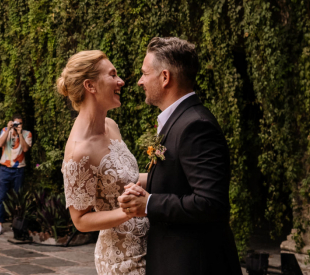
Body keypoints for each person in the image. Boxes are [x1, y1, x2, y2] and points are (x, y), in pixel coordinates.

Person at [118, 37, 241, 275]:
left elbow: (210, 203)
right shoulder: (178, 120)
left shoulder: (196, 126)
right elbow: (176, 179)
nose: (140, 81)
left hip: (194, 263)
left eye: (144, 73)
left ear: (165, 77)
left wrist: (149, 203)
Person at [57, 50, 148, 274]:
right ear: (90, 86)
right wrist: (130, 212)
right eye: (112, 75)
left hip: (149, 246)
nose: (121, 81)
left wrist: (171, 173)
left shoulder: (111, 126)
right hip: (122, 260)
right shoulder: (80, 152)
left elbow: (128, 180)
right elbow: (81, 220)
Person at [0, 113, 32, 235]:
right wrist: (9, 129)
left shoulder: (27, 134)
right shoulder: (5, 130)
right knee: (1, 197)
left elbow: (25, 149)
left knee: (17, 198)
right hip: (5, 168)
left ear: (22, 124)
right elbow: (0, 144)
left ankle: (15, 223)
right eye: (15, 123)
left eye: (19, 123)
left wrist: (20, 134)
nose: (17, 126)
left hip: (19, 169)